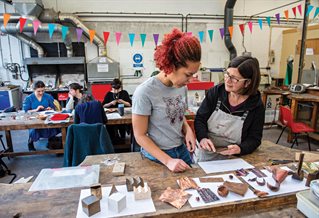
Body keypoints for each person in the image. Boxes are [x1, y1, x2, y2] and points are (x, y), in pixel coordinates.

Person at [132, 28, 201, 173]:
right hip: (157, 157)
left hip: (181, 151)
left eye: (193, 75)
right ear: (170, 66)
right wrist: (168, 161)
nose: (190, 80)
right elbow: (140, 136)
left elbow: (178, 115)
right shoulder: (145, 92)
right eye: (188, 75)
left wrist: (187, 130)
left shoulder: (181, 86)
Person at [194, 56, 265, 161]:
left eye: (234, 78)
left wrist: (241, 149)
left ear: (247, 82)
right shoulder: (216, 93)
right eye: (227, 74)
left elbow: (254, 138)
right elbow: (200, 119)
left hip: (233, 158)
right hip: (206, 153)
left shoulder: (256, 106)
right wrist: (203, 138)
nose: (228, 80)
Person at [23, 80, 61, 151]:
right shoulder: (29, 98)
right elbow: (26, 111)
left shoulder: (48, 96)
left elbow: (53, 108)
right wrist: (36, 109)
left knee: (52, 127)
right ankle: (30, 141)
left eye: (43, 91)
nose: (41, 93)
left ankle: (52, 142)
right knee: (34, 129)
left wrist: (50, 108)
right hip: (34, 118)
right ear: (34, 90)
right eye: (39, 91)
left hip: (47, 117)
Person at [102, 78, 132, 144]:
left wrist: (122, 101)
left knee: (122, 125)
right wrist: (110, 103)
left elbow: (130, 104)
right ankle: (112, 140)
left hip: (123, 114)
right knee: (110, 126)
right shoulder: (108, 94)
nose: (116, 91)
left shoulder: (124, 93)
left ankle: (123, 139)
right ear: (112, 88)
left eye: (117, 89)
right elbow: (103, 105)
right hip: (111, 114)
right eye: (114, 89)